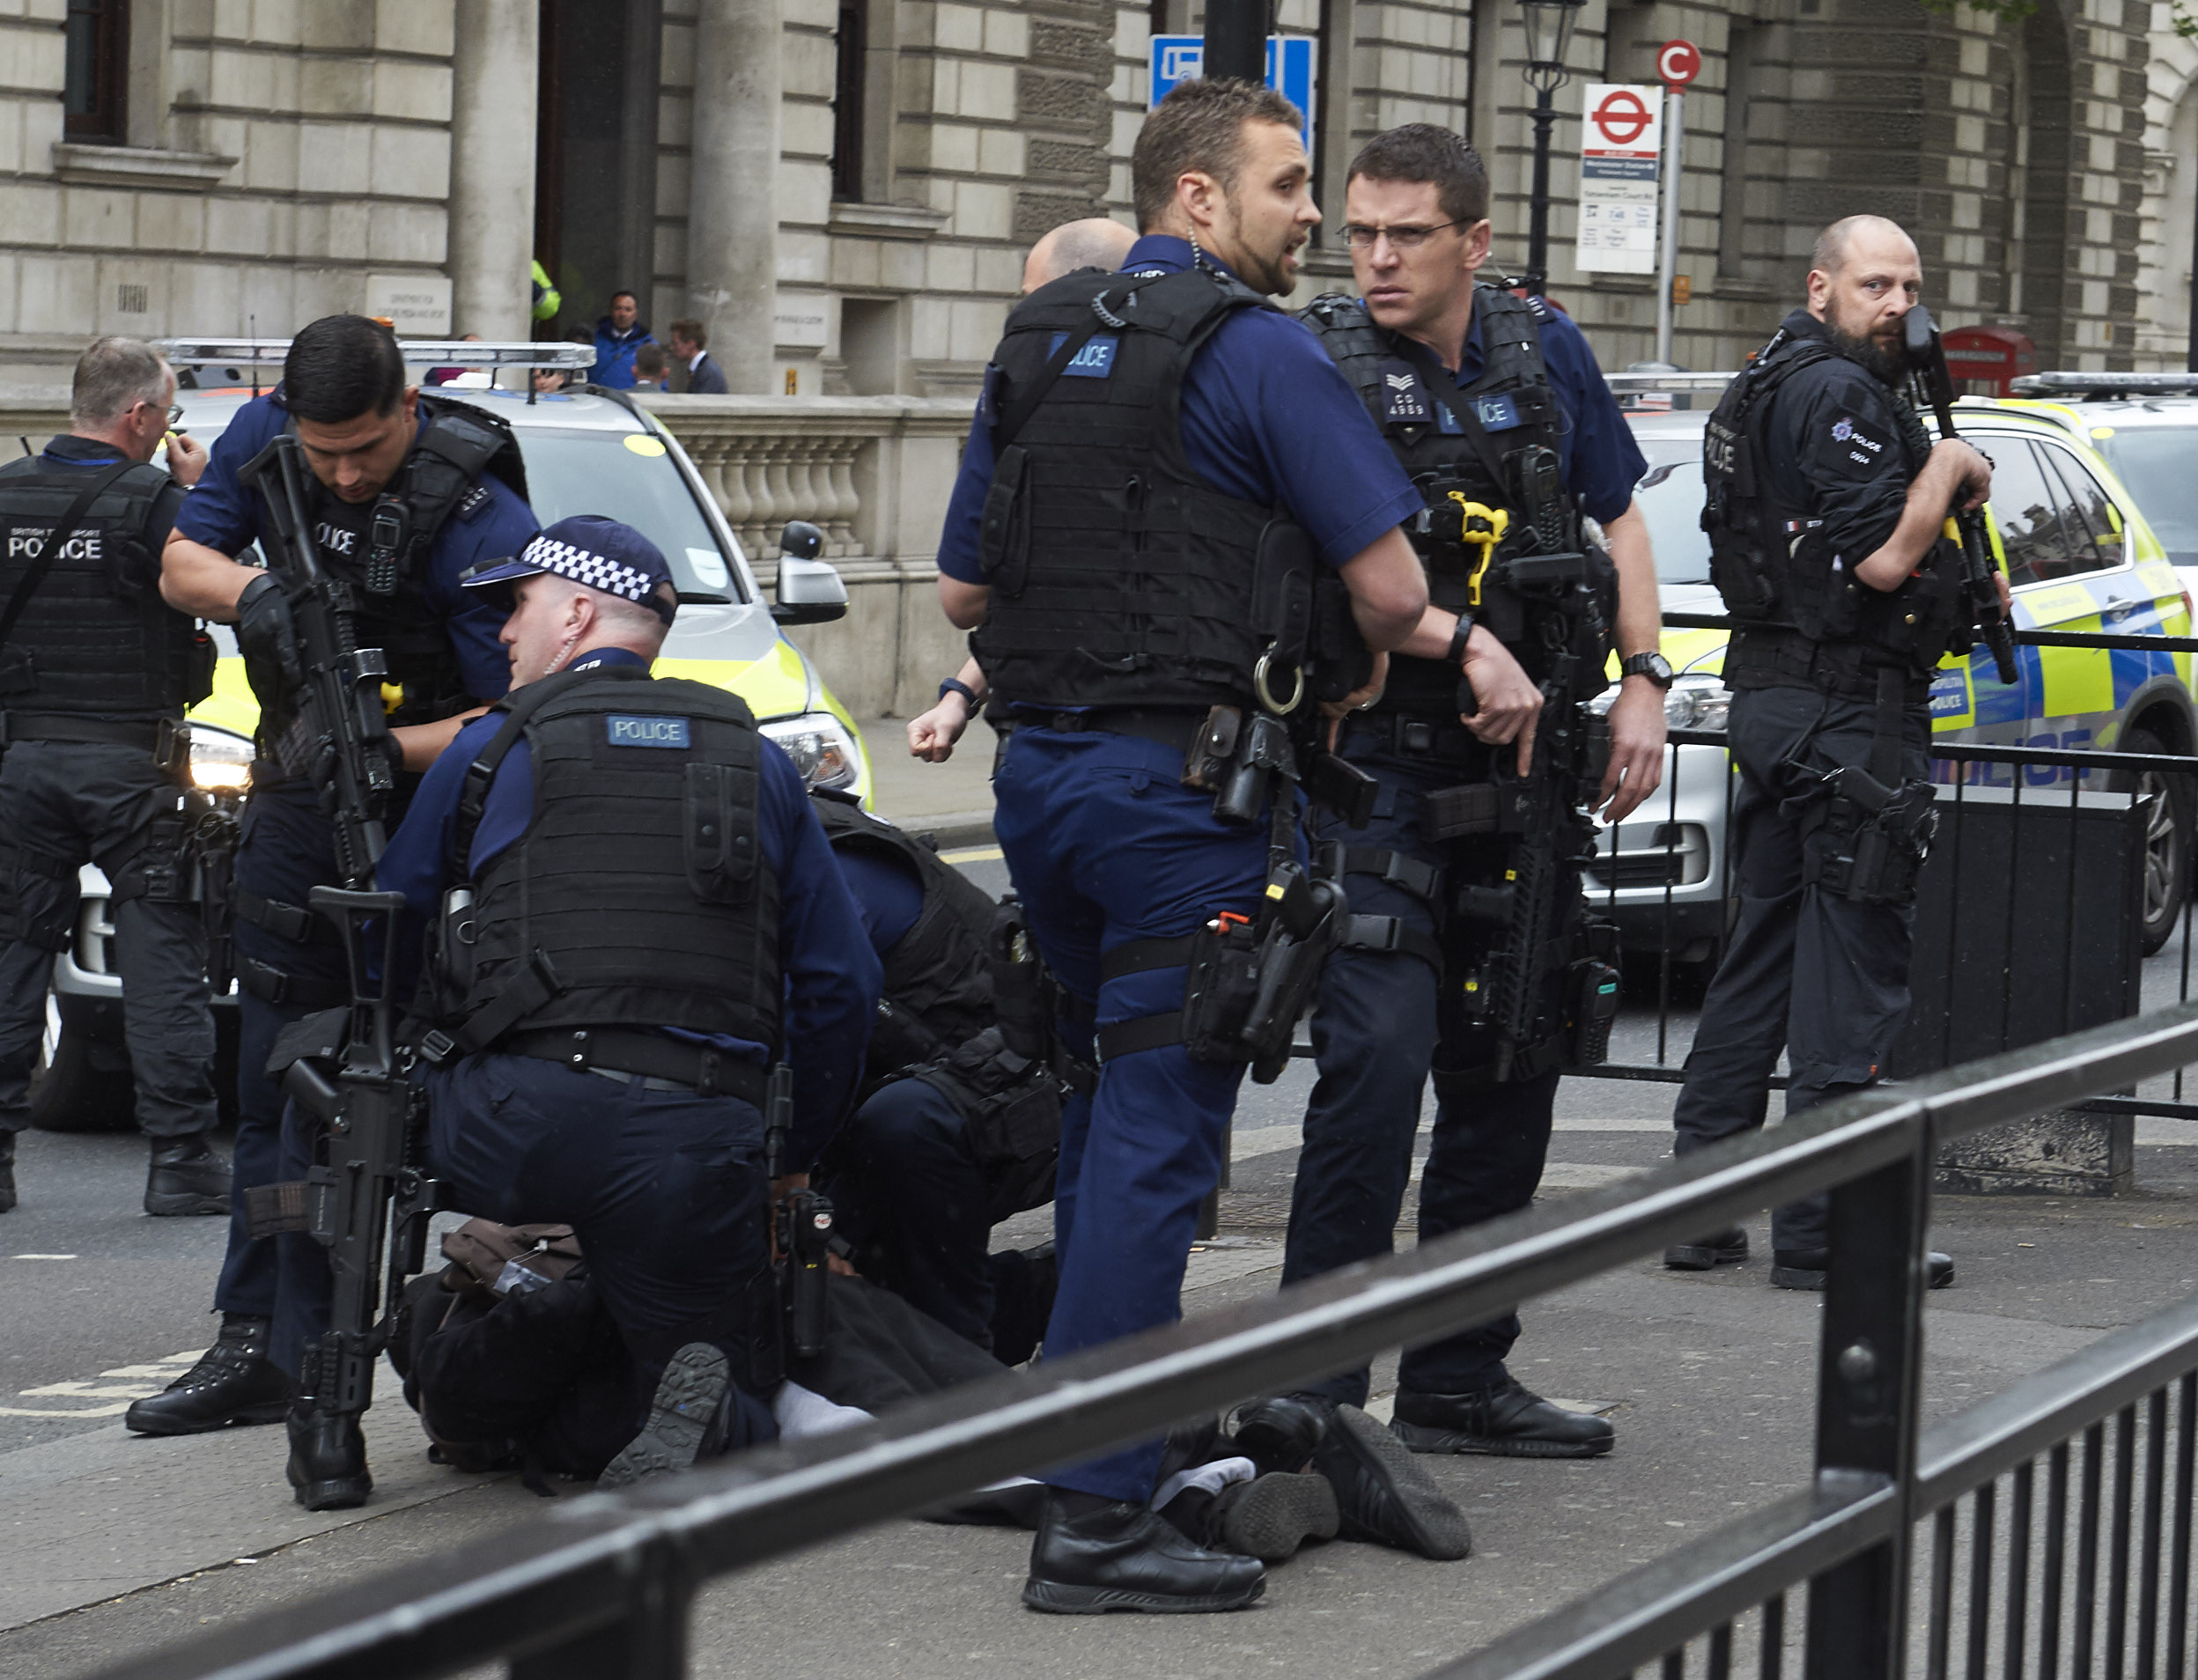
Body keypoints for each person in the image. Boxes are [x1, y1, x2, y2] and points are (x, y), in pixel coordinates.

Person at [937, 77, 1452, 1613]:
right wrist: (1358, 656)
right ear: (1199, 199)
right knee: (1164, 1134)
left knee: (1109, 1113)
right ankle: (1094, 1518)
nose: (1312, 214)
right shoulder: (1260, 350)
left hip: (1046, 788)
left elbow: (966, 592)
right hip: (1186, 802)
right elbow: (1392, 578)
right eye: (1290, 185)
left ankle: (1108, 1436)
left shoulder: (1037, 338)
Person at [1232, 124, 1663, 1469]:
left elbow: (1621, 516)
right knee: (1371, 1068)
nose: (1372, 257)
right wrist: (1451, 644)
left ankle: (1460, 1378)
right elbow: (1303, 559)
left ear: (1473, 241)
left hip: (1526, 776)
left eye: (1404, 233)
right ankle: (1313, 1394)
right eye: (1358, 230)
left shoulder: (1546, 350)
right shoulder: (1314, 355)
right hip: (1381, 770)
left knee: (1513, 1067)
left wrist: (1645, 679)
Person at [372, 514, 879, 1499]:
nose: (505, 635)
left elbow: (386, 932)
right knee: (701, 1388)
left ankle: (466, 1330)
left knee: (345, 1098)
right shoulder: (760, 758)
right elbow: (841, 983)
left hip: (516, 1124)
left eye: (518, 608)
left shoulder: (492, 746)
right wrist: (785, 1159)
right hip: (695, 1137)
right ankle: (676, 1405)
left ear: (576, 614)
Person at [122, 315, 539, 1441]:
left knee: (436, 1103)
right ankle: (260, 1337)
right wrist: (260, 599)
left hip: (432, 821)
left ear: (408, 406)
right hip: (301, 808)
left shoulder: (478, 514)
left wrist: (384, 751)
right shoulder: (269, 438)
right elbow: (178, 563)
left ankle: (480, 1338)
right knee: (273, 1083)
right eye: (325, 455)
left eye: (365, 448)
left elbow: (520, 704)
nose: (344, 474)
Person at [1665, 215, 2003, 1290]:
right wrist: (1945, 469)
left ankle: (1698, 1210)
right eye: (1873, 285)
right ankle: (1825, 1236)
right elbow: (1879, 563)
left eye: (1909, 284)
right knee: (1854, 977)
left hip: (1777, 704)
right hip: (1850, 718)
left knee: (1760, 958)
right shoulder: (1842, 396)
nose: (1897, 304)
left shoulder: (1765, 378)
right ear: (1822, 288)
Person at [0, 337, 219, 1217]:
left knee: (13, 950)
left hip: (21, 761)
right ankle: (180, 1161)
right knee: (163, 952)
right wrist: (198, 495)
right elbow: (212, 605)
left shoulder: (5, 494)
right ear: (140, 418)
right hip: (132, 765)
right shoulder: (162, 505)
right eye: (167, 415)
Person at [812, 790, 1069, 1357]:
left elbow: (803, 1047)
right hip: (912, 1081)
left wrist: (803, 1215)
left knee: (837, 1278)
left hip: (1025, 1086)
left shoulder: (817, 871)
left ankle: (976, 1353)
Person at [906, 217, 1140, 767]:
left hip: (1055, 743)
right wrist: (960, 695)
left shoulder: (1020, 385)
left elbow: (964, 599)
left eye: (1032, 300)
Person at [590, 291, 654, 390]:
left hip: (632, 402)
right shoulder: (593, 341)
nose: (622, 314)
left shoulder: (648, 345)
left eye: (628, 310)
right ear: (611, 311)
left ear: (635, 314)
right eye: (618, 308)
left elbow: (658, 380)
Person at [666, 320, 729, 394]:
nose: (671, 348)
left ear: (690, 344)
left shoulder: (709, 372)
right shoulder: (701, 369)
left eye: (675, 343)